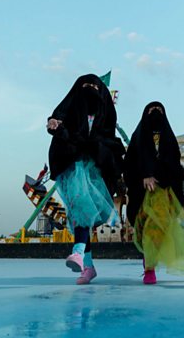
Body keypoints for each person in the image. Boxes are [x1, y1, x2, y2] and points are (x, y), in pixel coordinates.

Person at [47, 74, 125, 284]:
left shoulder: (104, 117)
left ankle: (82, 256)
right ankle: (85, 262)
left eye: (94, 86)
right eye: (85, 85)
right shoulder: (70, 113)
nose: (89, 88)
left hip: (96, 168)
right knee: (80, 212)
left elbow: (108, 140)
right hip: (73, 164)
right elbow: (58, 121)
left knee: (81, 212)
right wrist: (55, 124)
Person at [124, 102, 184, 284]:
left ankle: (149, 270)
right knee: (144, 231)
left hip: (164, 193)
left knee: (156, 229)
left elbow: (175, 166)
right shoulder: (137, 137)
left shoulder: (169, 139)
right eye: (151, 110)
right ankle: (148, 264)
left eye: (159, 110)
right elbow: (129, 164)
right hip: (142, 193)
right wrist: (144, 176)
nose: (155, 112)